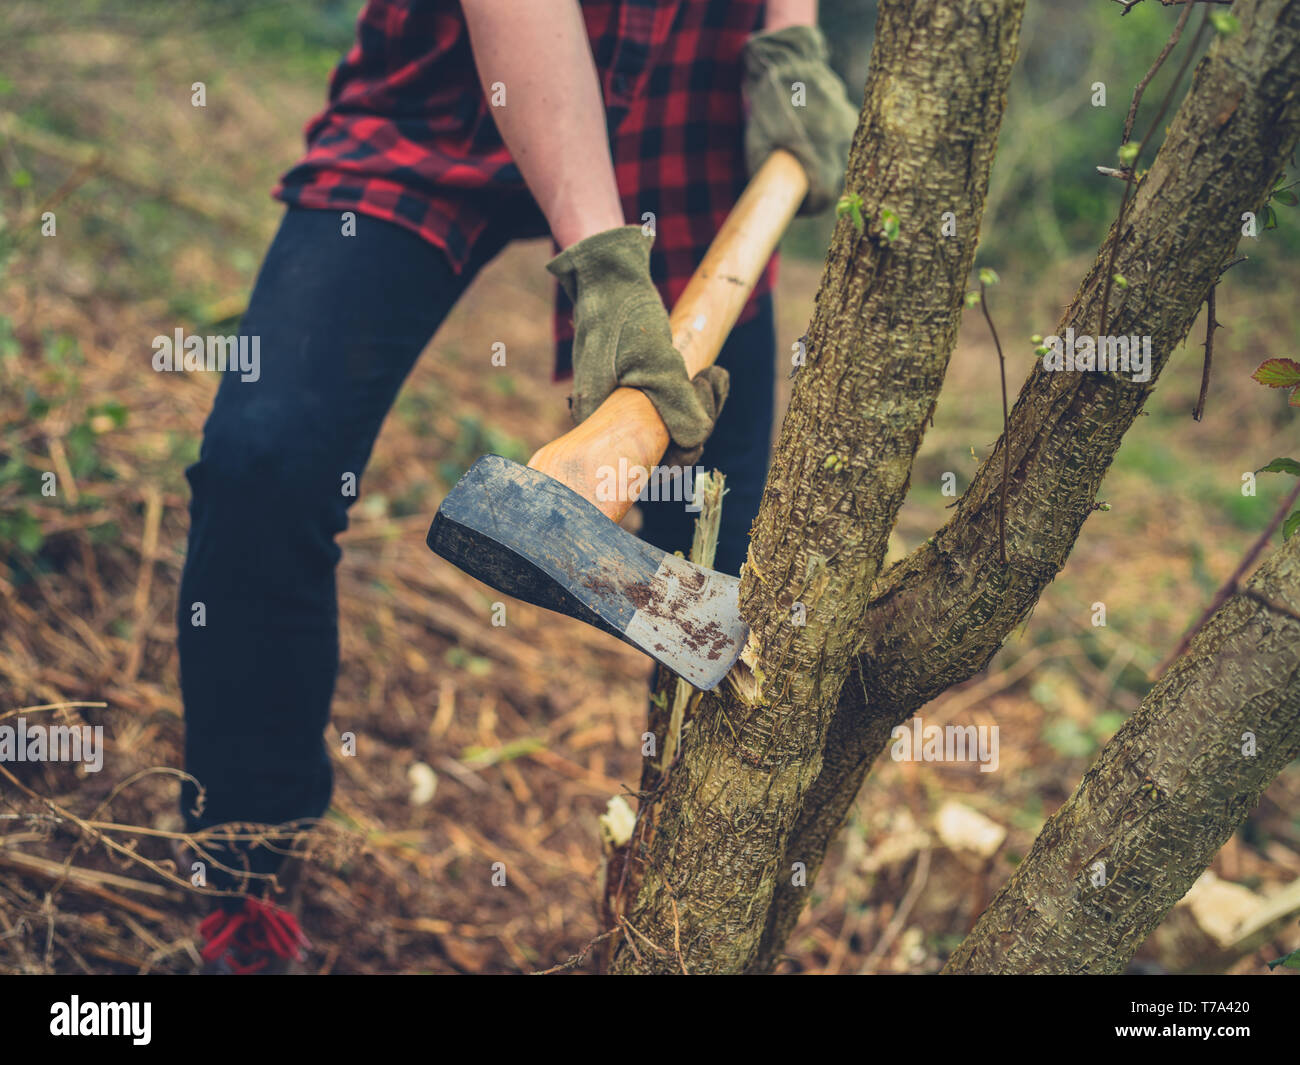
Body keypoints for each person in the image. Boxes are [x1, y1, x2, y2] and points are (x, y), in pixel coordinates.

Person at [177, 0, 856, 973]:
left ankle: (702, 926)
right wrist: (606, 263)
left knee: (721, 558)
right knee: (266, 460)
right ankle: (248, 869)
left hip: (688, 80)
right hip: (453, 77)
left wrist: (788, 37)